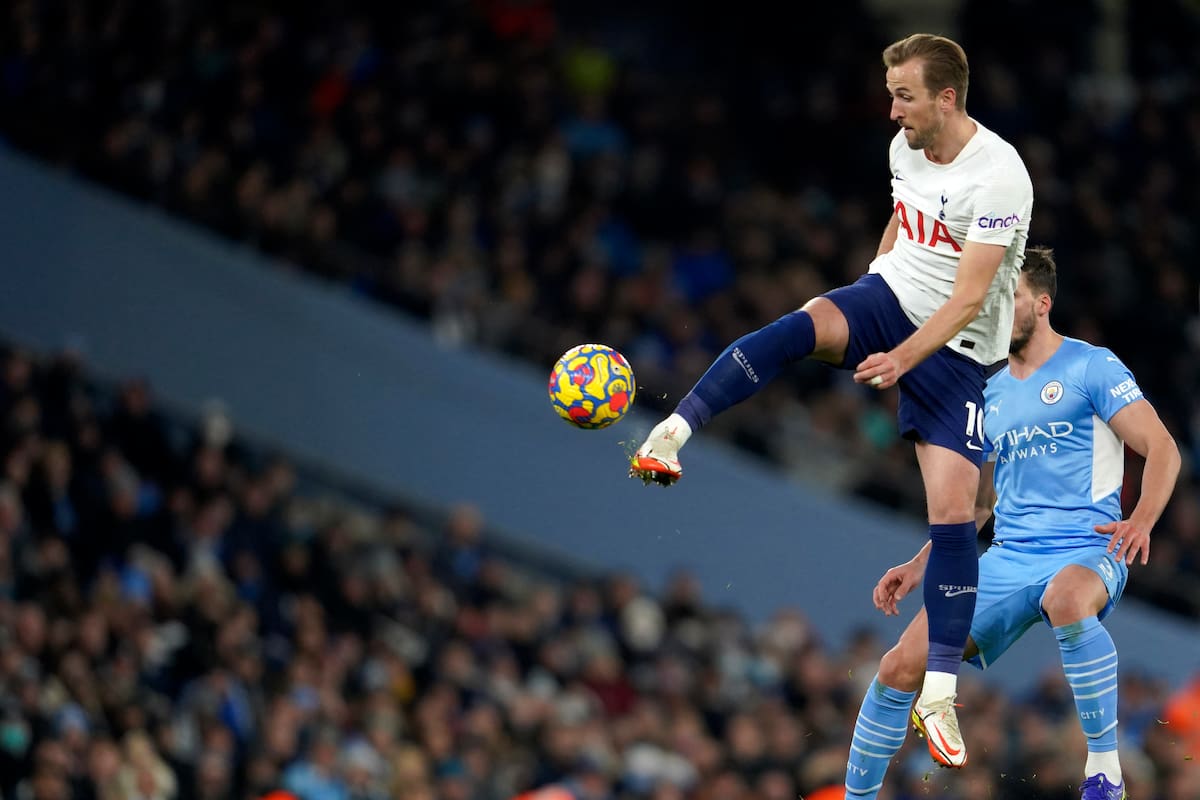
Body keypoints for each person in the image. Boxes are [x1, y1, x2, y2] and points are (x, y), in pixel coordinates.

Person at [629, 33, 1033, 765]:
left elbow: (972, 297)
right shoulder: (905, 149)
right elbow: (903, 221)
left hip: (962, 355)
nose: (891, 110)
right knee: (793, 329)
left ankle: (938, 695)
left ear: (946, 97)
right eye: (891, 94)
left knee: (955, 512)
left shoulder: (1000, 176)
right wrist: (872, 283)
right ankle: (672, 432)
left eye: (904, 95)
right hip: (893, 296)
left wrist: (902, 357)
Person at [842, 247, 1181, 799]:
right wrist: (920, 561)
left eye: (1011, 298)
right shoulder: (990, 392)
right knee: (900, 665)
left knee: (1068, 600)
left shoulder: (1091, 366)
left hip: (1086, 546)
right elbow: (979, 502)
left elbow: (1162, 448)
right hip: (1006, 558)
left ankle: (1104, 770)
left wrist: (1141, 521)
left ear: (1042, 303)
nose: (998, 308)